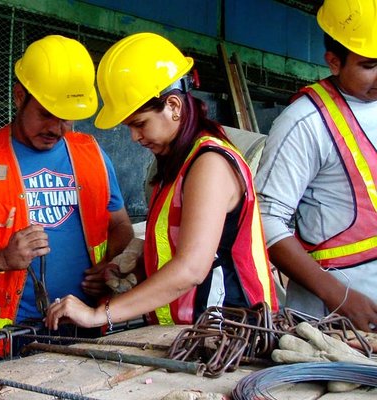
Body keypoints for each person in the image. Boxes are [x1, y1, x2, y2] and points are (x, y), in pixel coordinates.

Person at [45, 32, 278, 331]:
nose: (133, 137)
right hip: (194, 334)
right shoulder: (174, 165)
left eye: (139, 124)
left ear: (173, 106)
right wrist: (138, 263)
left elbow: (191, 268)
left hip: (232, 333)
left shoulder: (209, 164)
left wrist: (100, 313)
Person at [0, 35, 134, 348]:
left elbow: (120, 225)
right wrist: (2, 258)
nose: (56, 128)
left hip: (86, 324)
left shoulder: (92, 154)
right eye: (45, 113)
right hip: (6, 336)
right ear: (19, 97)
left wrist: (108, 266)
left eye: (65, 117)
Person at [255, 0, 377, 332]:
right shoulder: (305, 122)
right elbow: (266, 221)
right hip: (334, 320)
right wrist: (340, 297)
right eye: (370, 65)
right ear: (334, 62)